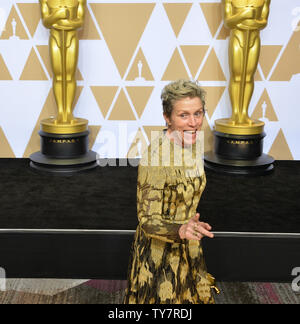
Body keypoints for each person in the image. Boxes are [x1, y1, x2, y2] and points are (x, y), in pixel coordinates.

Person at [124, 79, 219, 304]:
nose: (194, 122)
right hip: (160, 256)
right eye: (183, 115)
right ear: (167, 117)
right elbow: (147, 220)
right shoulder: (155, 158)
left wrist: (190, 224)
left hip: (189, 245)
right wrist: (180, 229)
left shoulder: (193, 144)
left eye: (198, 113)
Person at [224, 0, 271, 125]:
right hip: (237, 37)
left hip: (254, 37)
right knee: (237, 77)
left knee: (249, 77)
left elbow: (264, 22)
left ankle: (244, 112)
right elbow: (228, 22)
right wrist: (244, 15)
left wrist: (255, 22)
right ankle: (235, 113)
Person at [40, 0, 86, 124]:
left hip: (71, 38)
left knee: (70, 76)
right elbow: (45, 21)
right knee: (58, 76)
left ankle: (69, 112)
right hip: (55, 37)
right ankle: (60, 112)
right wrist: (58, 15)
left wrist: (65, 23)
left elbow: (80, 21)